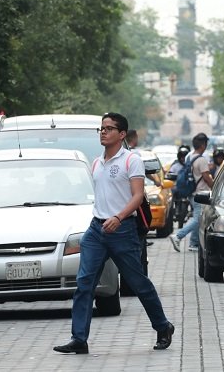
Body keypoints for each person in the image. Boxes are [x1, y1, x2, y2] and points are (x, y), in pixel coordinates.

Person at [53, 112, 174, 355]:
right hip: (96, 230)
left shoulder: (131, 160)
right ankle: (79, 338)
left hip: (122, 229)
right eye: (101, 128)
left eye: (109, 128)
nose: (103, 132)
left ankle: (163, 326)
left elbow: (137, 196)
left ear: (121, 134)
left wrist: (118, 218)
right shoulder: (96, 163)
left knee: (137, 282)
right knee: (84, 283)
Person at [170, 133, 213, 252]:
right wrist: (214, 187)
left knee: (197, 217)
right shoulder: (201, 160)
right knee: (198, 219)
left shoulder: (189, 157)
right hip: (201, 194)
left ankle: (193, 243)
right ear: (203, 145)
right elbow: (206, 177)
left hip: (192, 192)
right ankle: (178, 236)